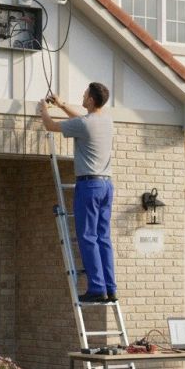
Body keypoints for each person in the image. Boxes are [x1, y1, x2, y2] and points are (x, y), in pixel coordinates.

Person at [38, 83, 116, 303]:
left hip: (89, 186)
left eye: (84, 94)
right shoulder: (106, 121)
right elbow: (81, 120)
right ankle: (110, 288)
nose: (82, 96)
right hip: (106, 186)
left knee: (88, 236)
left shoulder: (84, 123)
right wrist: (62, 105)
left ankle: (97, 288)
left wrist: (43, 109)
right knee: (103, 238)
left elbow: (51, 126)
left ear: (91, 100)